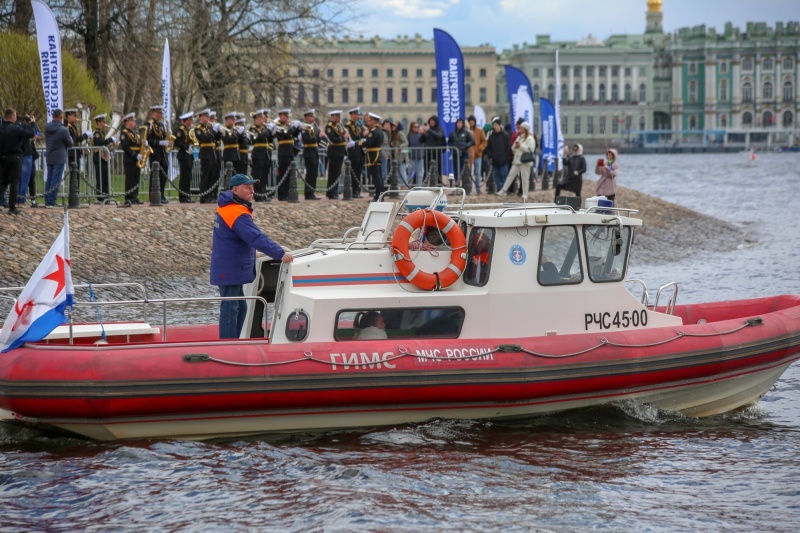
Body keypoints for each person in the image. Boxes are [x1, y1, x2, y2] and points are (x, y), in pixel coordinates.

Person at [210, 174, 294, 339]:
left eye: (252, 187)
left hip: (229, 265)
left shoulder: (229, 207)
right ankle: (228, 344)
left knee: (240, 306)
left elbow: (231, 237)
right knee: (232, 306)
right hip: (230, 267)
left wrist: (250, 252)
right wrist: (280, 254)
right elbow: (255, 237)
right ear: (235, 189)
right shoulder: (236, 211)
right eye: (247, 187)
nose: (252, 191)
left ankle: (233, 341)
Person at [0, 108, 36, 214]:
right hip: (15, 157)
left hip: (3, 157)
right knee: (14, 183)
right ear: (12, 117)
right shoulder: (15, 128)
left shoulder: (1, 128)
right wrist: (33, 124)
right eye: (15, 116)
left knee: (2, 183)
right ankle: (12, 207)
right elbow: (31, 133)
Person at [44, 109, 74, 208]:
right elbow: (70, 143)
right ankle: (51, 200)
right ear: (61, 117)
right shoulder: (63, 130)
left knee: (49, 179)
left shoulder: (47, 127)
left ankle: (47, 199)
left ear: (53, 116)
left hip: (50, 155)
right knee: (56, 179)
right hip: (59, 156)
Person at [351, 112, 384, 201]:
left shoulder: (373, 131)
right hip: (375, 155)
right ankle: (380, 196)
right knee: (378, 176)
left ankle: (378, 196)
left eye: (369, 120)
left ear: (374, 121)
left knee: (376, 177)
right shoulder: (377, 130)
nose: (368, 122)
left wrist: (356, 143)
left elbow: (369, 143)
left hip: (373, 156)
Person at [497, 122, 535, 197]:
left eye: (521, 128)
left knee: (525, 177)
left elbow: (530, 150)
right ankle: (503, 190)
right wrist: (516, 147)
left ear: (525, 129)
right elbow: (513, 148)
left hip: (525, 161)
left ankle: (525, 194)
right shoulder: (519, 137)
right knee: (510, 175)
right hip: (517, 160)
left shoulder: (530, 139)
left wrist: (521, 146)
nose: (519, 130)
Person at [194, 109, 221, 203]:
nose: (208, 118)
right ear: (201, 117)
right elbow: (206, 139)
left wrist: (219, 131)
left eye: (209, 117)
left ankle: (210, 195)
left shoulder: (208, 128)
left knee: (212, 176)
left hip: (212, 154)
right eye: (206, 116)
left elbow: (216, 138)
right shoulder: (198, 129)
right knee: (205, 176)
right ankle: (204, 196)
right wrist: (213, 130)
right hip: (205, 154)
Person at [274, 108, 300, 201]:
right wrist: (293, 128)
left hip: (290, 151)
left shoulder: (289, 125)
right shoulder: (278, 126)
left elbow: (294, 135)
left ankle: (289, 193)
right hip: (283, 152)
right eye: (285, 116)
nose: (287, 118)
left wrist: (297, 129)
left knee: (290, 174)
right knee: (283, 174)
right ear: (281, 116)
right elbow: (285, 134)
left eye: (288, 116)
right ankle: (282, 195)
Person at [249, 109, 273, 202]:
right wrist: (267, 131)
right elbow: (259, 137)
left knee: (264, 176)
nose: (262, 120)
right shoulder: (253, 129)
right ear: (255, 119)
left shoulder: (264, 129)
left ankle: (263, 194)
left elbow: (270, 139)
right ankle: (257, 195)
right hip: (258, 154)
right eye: (260, 119)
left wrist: (271, 131)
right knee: (257, 176)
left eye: (262, 118)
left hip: (265, 154)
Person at [91, 113, 114, 202]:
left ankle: (106, 195)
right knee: (100, 177)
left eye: (104, 121)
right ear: (98, 122)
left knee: (105, 177)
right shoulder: (96, 133)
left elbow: (104, 143)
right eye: (103, 121)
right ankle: (100, 197)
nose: (104, 123)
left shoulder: (102, 133)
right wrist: (109, 140)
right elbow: (99, 143)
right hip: (98, 157)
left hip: (103, 157)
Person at [18, 114, 40, 207]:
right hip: (26, 154)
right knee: (25, 179)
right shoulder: (26, 126)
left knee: (24, 179)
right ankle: (21, 201)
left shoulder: (17, 126)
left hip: (22, 154)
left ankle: (21, 200)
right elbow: (36, 133)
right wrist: (33, 123)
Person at [485, 117, 511, 193]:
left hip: (504, 160)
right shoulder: (491, 136)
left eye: (496, 125)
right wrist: (491, 155)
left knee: (504, 176)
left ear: (499, 125)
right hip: (495, 160)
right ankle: (499, 190)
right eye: (493, 125)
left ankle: (504, 190)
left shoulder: (505, 135)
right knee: (496, 177)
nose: (495, 126)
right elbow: (488, 148)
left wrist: (505, 157)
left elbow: (508, 147)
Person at [324, 110, 346, 199]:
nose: (339, 119)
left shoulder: (338, 126)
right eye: (337, 117)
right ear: (333, 117)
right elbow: (333, 139)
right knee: (333, 173)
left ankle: (335, 191)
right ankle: (331, 192)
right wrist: (343, 137)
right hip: (334, 152)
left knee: (337, 173)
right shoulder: (329, 127)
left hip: (340, 152)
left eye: (339, 117)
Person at [174, 111, 195, 203]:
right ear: (185, 121)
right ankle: (183, 197)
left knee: (188, 177)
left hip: (189, 155)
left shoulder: (188, 130)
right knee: (184, 177)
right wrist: (186, 146)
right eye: (190, 120)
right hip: (183, 155)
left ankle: (187, 195)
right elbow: (177, 143)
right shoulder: (181, 131)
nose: (191, 121)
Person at [300, 109, 321, 200]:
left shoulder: (314, 126)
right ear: (306, 117)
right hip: (308, 151)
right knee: (310, 174)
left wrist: (318, 136)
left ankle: (312, 192)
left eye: (313, 117)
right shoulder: (304, 127)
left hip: (314, 151)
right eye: (310, 116)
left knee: (314, 174)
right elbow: (307, 139)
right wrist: (317, 136)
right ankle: (308, 193)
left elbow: (318, 139)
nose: (312, 118)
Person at [448, 117, 474, 186]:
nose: (459, 124)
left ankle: (465, 186)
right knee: (456, 171)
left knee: (465, 171)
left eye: (460, 123)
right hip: (455, 155)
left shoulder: (466, 132)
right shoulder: (453, 133)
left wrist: (466, 146)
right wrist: (452, 149)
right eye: (458, 123)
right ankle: (457, 186)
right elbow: (449, 142)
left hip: (464, 154)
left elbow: (472, 141)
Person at [419, 115, 445, 184]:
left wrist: (429, 130)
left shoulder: (439, 129)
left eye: (433, 121)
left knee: (437, 169)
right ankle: (425, 184)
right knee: (426, 170)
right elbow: (421, 140)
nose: (431, 123)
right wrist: (423, 134)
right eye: (430, 121)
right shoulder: (427, 130)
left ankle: (439, 184)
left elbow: (439, 136)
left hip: (436, 153)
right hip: (427, 153)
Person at [345, 107, 365, 196]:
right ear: (352, 115)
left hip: (359, 151)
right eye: (356, 114)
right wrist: (361, 135)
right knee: (354, 172)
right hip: (353, 152)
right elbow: (351, 138)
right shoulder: (348, 126)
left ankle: (357, 190)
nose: (358, 116)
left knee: (358, 172)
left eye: (358, 114)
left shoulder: (357, 125)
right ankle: (353, 190)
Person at [467, 115, 487, 194]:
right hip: (469, 155)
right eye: (470, 121)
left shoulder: (479, 131)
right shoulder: (467, 131)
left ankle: (478, 188)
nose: (471, 122)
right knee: (469, 172)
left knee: (477, 173)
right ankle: (469, 188)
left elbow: (484, 141)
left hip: (478, 155)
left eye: (473, 121)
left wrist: (480, 148)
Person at [390, 121, 409, 187]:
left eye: (394, 126)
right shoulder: (393, 134)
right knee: (398, 172)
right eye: (392, 126)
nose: (392, 128)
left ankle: (404, 186)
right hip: (396, 156)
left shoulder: (400, 133)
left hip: (402, 156)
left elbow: (406, 142)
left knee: (402, 172)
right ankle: (401, 186)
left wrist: (399, 147)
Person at [407, 122, 425, 186]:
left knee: (420, 173)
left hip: (420, 156)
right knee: (411, 173)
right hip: (412, 157)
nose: (416, 128)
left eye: (417, 127)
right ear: (411, 127)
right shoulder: (409, 136)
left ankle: (419, 187)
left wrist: (423, 133)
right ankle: (409, 186)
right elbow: (408, 146)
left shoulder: (420, 135)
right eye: (414, 127)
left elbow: (423, 140)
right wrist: (408, 156)